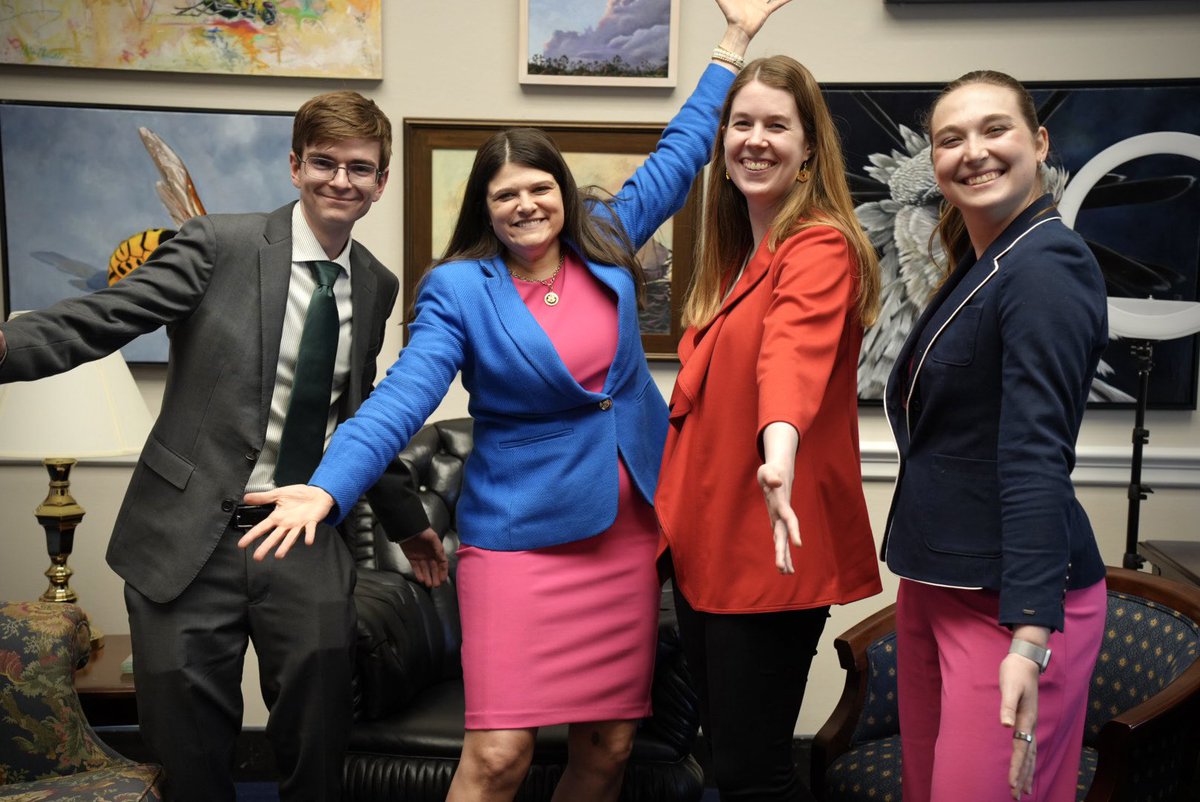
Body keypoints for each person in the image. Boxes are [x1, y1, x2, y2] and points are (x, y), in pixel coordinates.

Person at [236, 3, 792, 800]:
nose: (526, 205)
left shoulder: (604, 238)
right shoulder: (458, 290)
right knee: (499, 757)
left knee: (608, 745)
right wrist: (328, 487)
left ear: (562, 193)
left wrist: (732, 45)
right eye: (505, 196)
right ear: (485, 209)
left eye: (539, 188)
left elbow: (681, 153)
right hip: (518, 541)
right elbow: (400, 398)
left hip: (626, 529)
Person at [0, 90, 447, 802]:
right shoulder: (217, 244)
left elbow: (359, 417)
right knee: (190, 754)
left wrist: (411, 524)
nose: (341, 180)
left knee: (319, 744)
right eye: (324, 163)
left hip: (301, 541)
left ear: (381, 182)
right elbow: (105, 317)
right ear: (295, 165)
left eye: (360, 169)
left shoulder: (376, 284)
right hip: (184, 542)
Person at [654, 55, 884, 801]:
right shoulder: (738, 258)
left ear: (810, 146)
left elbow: (792, 358)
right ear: (721, 146)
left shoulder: (817, 247)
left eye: (776, 125)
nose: (756, 140)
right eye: (742, 124)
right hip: (706, 545)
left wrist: (777, 450)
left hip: (767, 545)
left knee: (754, 775)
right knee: (726, 760)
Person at [880, 70, 1108, 802]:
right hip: (940, 582)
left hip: (1009, 604)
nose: (972, 151)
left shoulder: (1047, 266)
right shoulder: (985, 262)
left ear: (1039, 143)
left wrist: (1031, 638)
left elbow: (1036, 456)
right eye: (951, 139)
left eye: (994, 129)